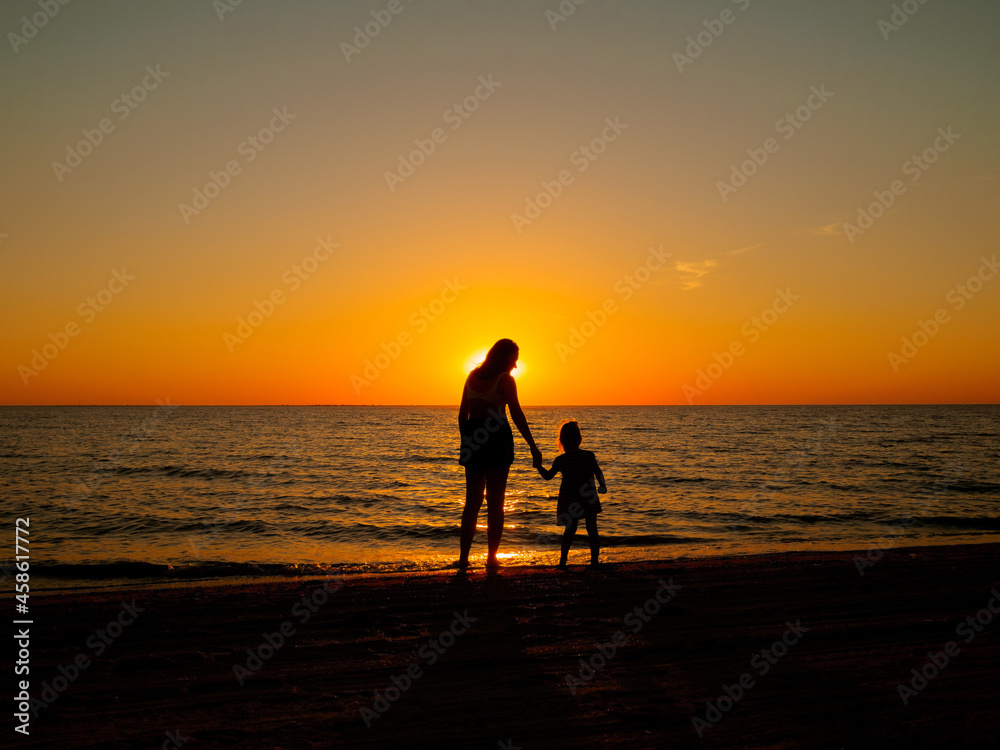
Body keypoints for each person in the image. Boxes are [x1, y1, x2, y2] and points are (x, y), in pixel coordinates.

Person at [457, 338, 542, 572]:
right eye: (513, 360)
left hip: (474, 438)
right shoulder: (506, 380)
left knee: (472, 502)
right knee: (496, 503)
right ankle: (491, 558)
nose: (515, 366)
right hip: (497, 440)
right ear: (504, 358)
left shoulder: (471, 377)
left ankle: (464, 558)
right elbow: (515, 413)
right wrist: (533, 446)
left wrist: (467, 442)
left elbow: (462, 414)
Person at [535, 420, 607, 569]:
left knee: (570, 529)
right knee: (592, 529)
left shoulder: (561, 460)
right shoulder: (588, 456)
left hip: (570, 500)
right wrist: (602, 485)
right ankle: (594, 562)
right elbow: (598, 472)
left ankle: (562, 562)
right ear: (580, 439)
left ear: (561, 442)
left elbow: (548, 476)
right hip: (589, 498)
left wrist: (538, 466)